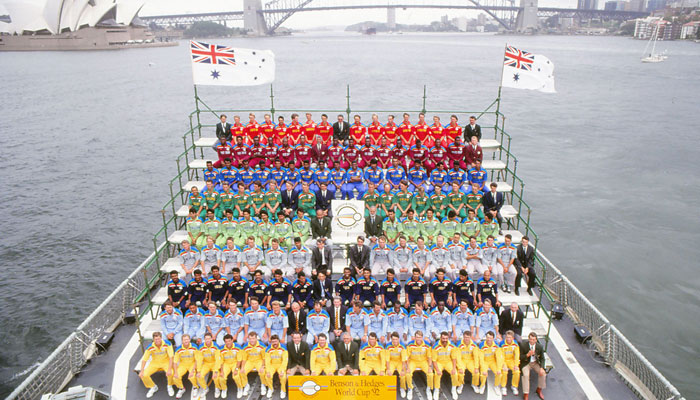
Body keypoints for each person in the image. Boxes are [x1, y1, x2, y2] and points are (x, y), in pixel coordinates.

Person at [139, 331, 175, 398]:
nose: (157, 340)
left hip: (165, 362)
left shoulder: (167, 344)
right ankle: (153, 387)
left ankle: (169, 385)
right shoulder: (150, 347)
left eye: (158, 339)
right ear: (153, 339)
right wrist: (142, 370)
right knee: (143, 375)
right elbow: (144, 359)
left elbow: (171, 357)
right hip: (155, 363)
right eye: (156, 339)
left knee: (171, 373)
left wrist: (169, 369)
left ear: (161, 338)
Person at [406, 330, 434, 400]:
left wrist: (430, 366)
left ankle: (428, 389)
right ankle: (410, 388)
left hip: (423, 362)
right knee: (408, 373)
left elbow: (429, 357)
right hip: (413, 361)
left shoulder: (427, 345)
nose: (418, 339)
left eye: (420, 337)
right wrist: (407, 367)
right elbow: (407, 357)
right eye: (417, 337)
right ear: (414, 337)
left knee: (430, 374)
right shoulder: (410, 344)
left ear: (422, 338)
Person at [454, 330, 484, 394]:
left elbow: (476, 357)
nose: (466, 339)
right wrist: (459, 367)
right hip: (462, 360)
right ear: (463, 337)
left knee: (476, 373)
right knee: (460, 372)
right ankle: (460, 385)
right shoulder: (459, 344)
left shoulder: (474, 345)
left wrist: (476, 367)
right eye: (465, 337)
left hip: (470, 360)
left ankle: (474, 384)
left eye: (468, 337)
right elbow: (458, 357)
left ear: (470, 337)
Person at [432, 332, 458, 400]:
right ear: (440, 338)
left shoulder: (452, 346)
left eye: (446, 338)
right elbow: (434, 360)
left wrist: (454, 368)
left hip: (448, 362)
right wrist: (437, 370)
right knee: (437, 374)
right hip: (439, 362)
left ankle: (454, 389)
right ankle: (436, 390)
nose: (445, 340)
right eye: (443, 338)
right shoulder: (435, 346)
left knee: (455, 374)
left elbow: (454, 358)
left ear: (448, 338)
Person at [520, 332, 546, 400]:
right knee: (525, 375)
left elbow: (542, 358)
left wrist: (542, 368)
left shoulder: (539, 347)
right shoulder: (523, 345)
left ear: (536, 340)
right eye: (530, 339)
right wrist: (527, 355)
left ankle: (539, 389)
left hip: (535, 363)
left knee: (543, 374)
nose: (531, 341)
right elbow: (520, 357)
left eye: (533, 339)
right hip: (526, 363)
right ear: (528, 339)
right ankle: (526, 393)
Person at [240, 332, 268, 396]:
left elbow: (264, 358)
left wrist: (262, 366)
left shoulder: (262, 345)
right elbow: (244, 358)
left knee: (262, 372)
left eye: (253, 338)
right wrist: (242, 367)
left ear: (256, 338)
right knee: (242, 372)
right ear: (248, 339)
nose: (252, 340)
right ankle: (246, 385)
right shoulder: (245, 346)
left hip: (259, 361)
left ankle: (263, 385)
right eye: (250, 339)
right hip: (250, 361)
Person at [172, 334, 199, 399]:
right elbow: (175, 362)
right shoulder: (178, 349)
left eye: (187, 339)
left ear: (190, 340)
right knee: (175, 377)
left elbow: (197, 360)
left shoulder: (194, 346)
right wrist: (175, 372)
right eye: (184, 340)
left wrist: (192, 371)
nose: (186, 341)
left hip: (192, 363)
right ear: (182, 341)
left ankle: (195, 387)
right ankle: (181, 388)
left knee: (192, 376)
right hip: (183, 364)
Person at [196, 332, 222, 399]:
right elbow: (199, 359)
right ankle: (205, 388)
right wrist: (198, 370)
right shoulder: (201, 347)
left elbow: (218, 360)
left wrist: (216, 371)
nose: (207, 340)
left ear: (211, 339)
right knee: (199, 376)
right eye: (206, 339)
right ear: (204, 339)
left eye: (209, 339)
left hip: (214, 364)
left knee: (216, 377)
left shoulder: (216, 346)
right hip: (206, 364)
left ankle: (217, 388)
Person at [218, 333, 244, 399]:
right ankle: (224, 389)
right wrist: (221, 371)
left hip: (235, 363)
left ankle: (240, 388)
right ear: (224, 342)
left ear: (232, 340)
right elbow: (221, 361)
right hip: (226, 364)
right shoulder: (222, 349)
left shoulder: (238, 347)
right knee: (221, 377)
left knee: (236, 376)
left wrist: (236, 369)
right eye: (226, 341)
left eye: (229, 341)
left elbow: (239, 360)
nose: (228, 343)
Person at [385, 332, 408, 397]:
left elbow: (403, 359)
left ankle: (402, 388)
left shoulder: (402, 346)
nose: (395, 341)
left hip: (399, 362)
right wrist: (388, 369)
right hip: (391, 362)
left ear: (399, 339)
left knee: (403, 375)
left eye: (396, 339)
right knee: (388, 374)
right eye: (393, 339)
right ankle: (389, 389)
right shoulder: (388, 346)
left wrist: (403, 370)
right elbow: (387, 359)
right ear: (391, 340)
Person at [501, 330, 521, 396]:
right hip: (504, 360)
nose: (508, 339)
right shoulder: (502, 344)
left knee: (517, 371)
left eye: (510, 337)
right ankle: (503, 387)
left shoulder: (515, 344)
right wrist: (503, 365)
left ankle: (514, 386)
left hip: (512, 360)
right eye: (507, 337)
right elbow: (501, 356)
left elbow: (517, 355)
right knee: (504, 371)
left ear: (513, 338)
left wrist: (516, 365)